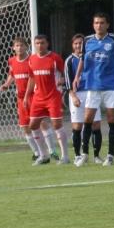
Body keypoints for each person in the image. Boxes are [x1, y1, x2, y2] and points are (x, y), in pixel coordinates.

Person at [72, 13, 114, 167]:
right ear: (93, 25)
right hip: (92, 86)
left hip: (110, 86)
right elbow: (82, 60)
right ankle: (84, 154)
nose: (99, 25)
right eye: (96, 23)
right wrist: (77, 77)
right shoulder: (87, 41)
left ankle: (110, 155)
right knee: (88, 119)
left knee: (111, 119)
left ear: (107, 25)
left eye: (101, 23)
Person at [0, 37, 56, 161]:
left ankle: (52, 151)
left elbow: (33, 77)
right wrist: (6, 84)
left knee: (42, 123)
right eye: (17, 46)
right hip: (20, 99)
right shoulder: (12, 61)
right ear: (13, 48)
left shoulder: (31, 60)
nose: (19, 48)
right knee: (25, 126)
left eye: (22, 45)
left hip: (34, 96)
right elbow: (11, 74)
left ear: (26, 47)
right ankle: (37, 153)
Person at [23, 35, 69, 165]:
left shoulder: (55, 58)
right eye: (37, 43)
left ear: (47, 44)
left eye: (42, 43)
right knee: (33, 125)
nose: (40, 45)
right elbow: (32, 78)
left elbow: (66, 74)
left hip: (53, 96)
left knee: (56, 124)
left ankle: (65, 156)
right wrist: (26, 96)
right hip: (38, 98)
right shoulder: (32, 59)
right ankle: (43, 155)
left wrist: (63, 80)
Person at [64, 33, 103, 162]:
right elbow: (68, 82)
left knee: (95, 124)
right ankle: (77, 155)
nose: (78, 46)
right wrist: (73, 96)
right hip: (77, 95)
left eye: (81, 43)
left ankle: (96, 156)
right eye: (75, 43)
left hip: (92, 93)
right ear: (72, 45)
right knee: (77, 126)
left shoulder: (91, 57)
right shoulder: (69, 60)